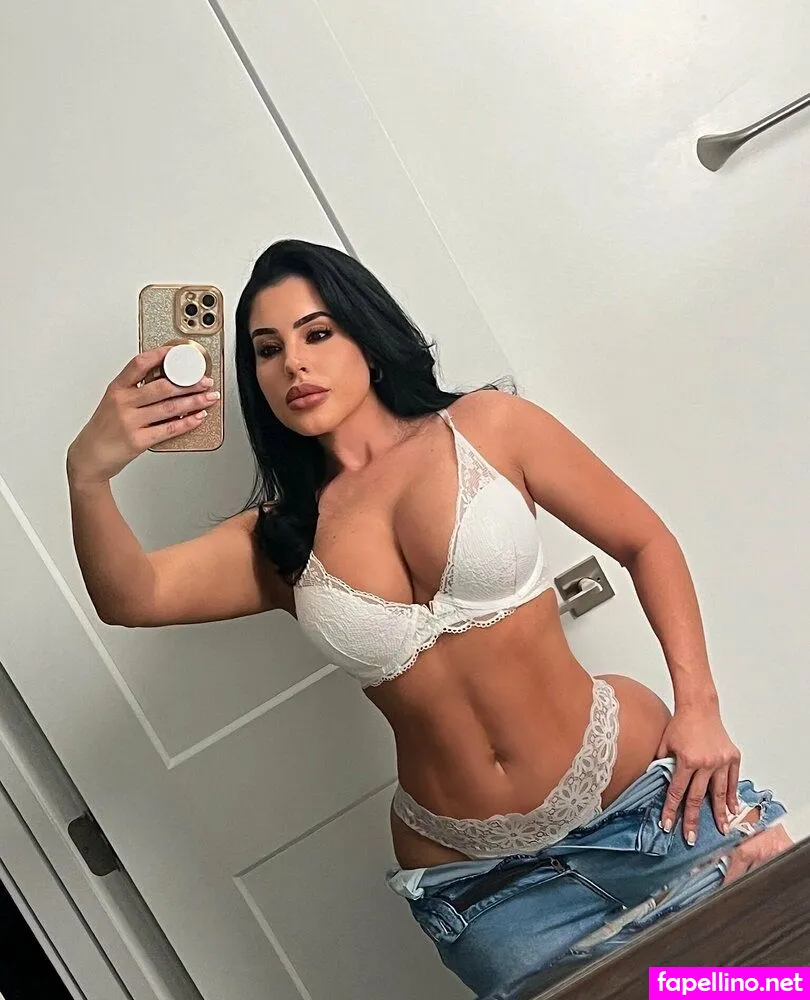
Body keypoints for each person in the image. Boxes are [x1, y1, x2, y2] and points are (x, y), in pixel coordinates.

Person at [67, 240, 792, 999]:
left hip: (650, 808)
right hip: (486, 891)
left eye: (318, 333)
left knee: (774, 978)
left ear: (366, 335)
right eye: (267, 350)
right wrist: (88, 473)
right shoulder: (279, 538)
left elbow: (645, 541)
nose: (294, 365)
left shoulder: (489, 426)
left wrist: (700, 705)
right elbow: (131, 598)